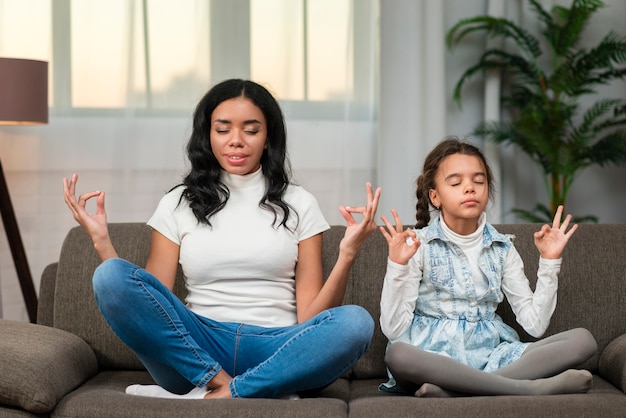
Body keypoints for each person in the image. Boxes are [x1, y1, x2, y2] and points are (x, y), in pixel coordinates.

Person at [63, 79, 381, 400]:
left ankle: (220, 393)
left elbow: (310, 320)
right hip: (198, 345)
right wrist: (102, 241)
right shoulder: (178, 202)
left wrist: (347, 254)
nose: (236, 141)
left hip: (278, 347)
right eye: (223, 129)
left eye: (251, 130)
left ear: (269, 138)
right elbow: (152, 302)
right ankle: (227, 384)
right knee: (110, 275)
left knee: (355, 322)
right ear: (208, 135)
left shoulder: (299, 202)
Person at [378, 136, 597, 397]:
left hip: (492, 356)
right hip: (431, 357)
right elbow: (393, 329)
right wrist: (397, 265)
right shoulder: (418, 245)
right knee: (398, 354)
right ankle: (525, 389)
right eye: (456, 182)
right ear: (434, 197)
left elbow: (535, 325)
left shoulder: (503, 248)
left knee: (583, 340)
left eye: (478, 181)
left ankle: (458, 391)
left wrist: (549, 262)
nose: (470, 188)